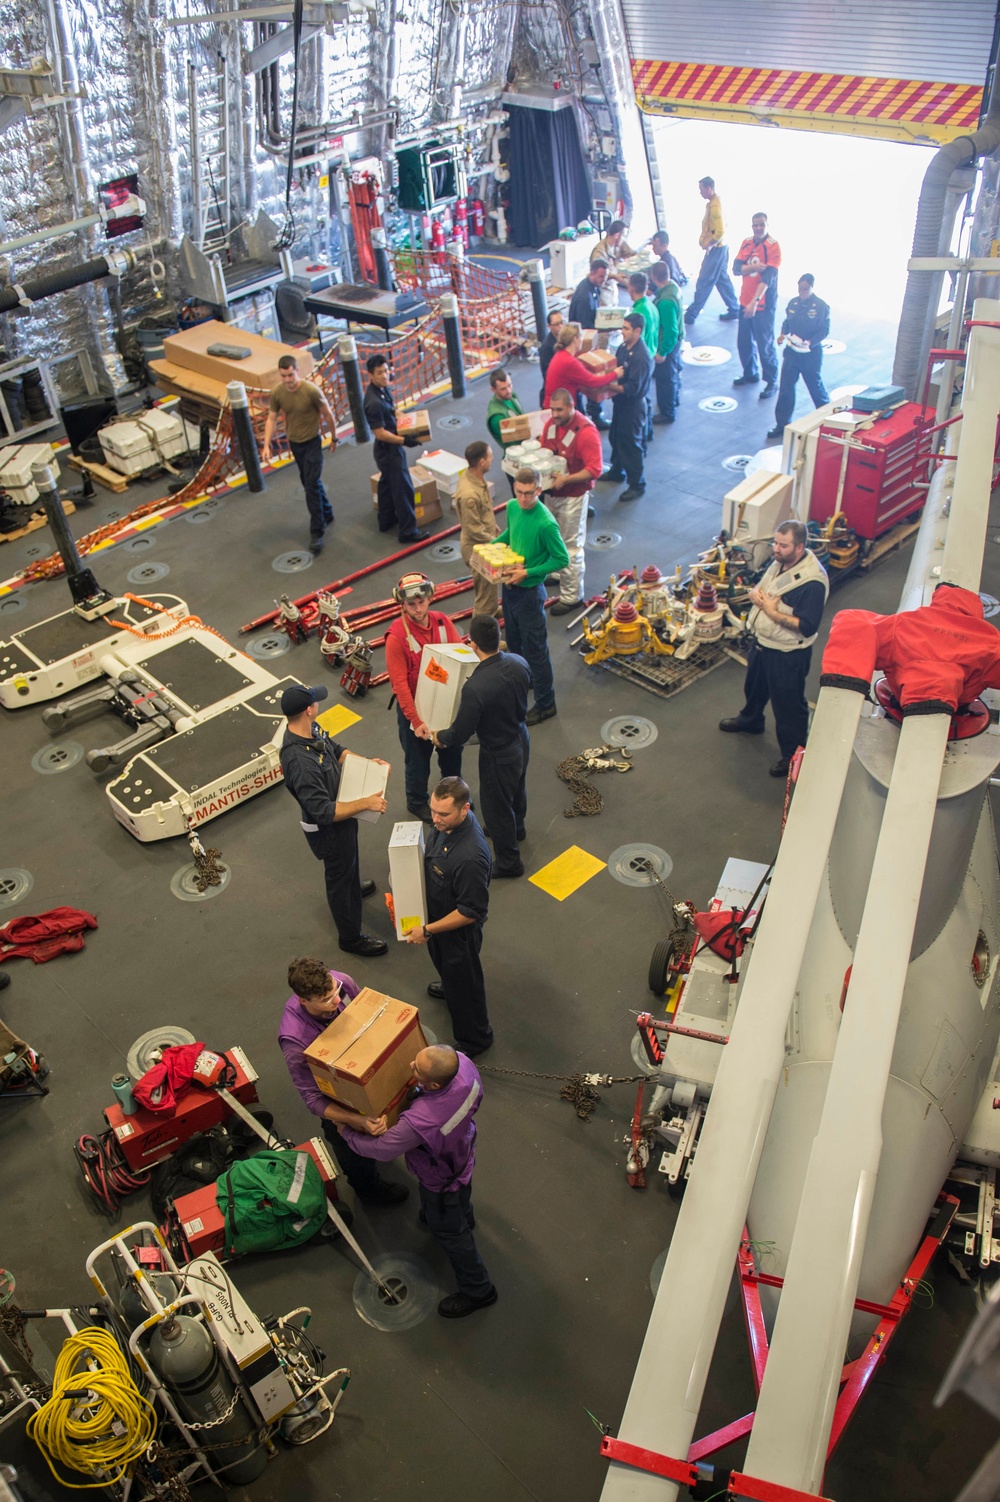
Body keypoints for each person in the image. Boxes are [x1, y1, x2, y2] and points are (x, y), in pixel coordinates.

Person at [338, 1043, 497, 1318]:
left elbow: (381, 1149)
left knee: (450, 1231)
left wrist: (346, 1131)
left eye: (417, 1069)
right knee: (461, 1193)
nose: (410, 1066)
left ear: (433, 1084)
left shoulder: (422, 1120)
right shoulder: (462, 1064)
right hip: (462, 1150)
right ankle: (465, 1217)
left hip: (440, 1177)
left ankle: (478, 1289)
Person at [278, 956, 408, 1205]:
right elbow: (313, 1100)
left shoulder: (341, 982)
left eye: (335, 992)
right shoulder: (295, 1041)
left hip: (360, 1071)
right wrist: (356, 1120)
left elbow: (368, 1019)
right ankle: (369, 1192)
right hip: (337, 1099)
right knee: (352, 1154)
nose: (337, 1001)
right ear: (303, 1000)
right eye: (326, 1000)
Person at [278, 683, 388, 957]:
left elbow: (336, 749)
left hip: (343, 816)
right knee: (339, 875)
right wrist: (367, 803)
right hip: (330, 830)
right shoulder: (299, 762)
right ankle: (350, 937)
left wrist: (366, 764)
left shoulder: (310, 730)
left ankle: (352, 888)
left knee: (348, 864)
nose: (318, 704)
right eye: (315, 702)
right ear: (308, 710)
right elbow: (323, 812)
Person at [718, 520, 829, 777]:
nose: (776, 549)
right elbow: (767, 586)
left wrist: (770, 611)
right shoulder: (781, 561)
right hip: (764, 644)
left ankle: (793, 757)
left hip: (788, 654)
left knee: (789, 707)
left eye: (783, 545)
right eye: (775, 543)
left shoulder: (812, 583)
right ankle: (751, 721)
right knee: (755, 689)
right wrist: (757, 596)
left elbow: (808, 626)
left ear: (800, 547)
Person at [434, 613, 530, 877]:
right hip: (521, 737)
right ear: (498, 638)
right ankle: (517, 828)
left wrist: (440, 736)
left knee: (496, 806)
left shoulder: (475, 687)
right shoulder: (518, 662)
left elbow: (460, 733)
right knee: (517, 788)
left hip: (498, 752)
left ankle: (510, 863)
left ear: (472, 643)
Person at [403, 778, 494, 1056]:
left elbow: (471, 912)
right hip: (438, 921)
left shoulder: (470, 857)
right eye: (433, 811)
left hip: (455, 933)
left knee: (465, 987)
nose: (435, 819)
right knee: (448, 971)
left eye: (443, 814)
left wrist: (428, 929)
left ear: (465, 809)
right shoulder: (447, 824)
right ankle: (449, 984)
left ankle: (475, 1039)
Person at [384, 573, 463, 820]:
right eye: (411, 604)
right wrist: (416, 721)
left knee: (452, 757)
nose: (417, 609)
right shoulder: (397, 637)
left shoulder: (442, 623)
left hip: (445, 705)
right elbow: (399, 685)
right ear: (402, 604)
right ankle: (417, 801)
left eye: (421, 602)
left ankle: (453, 796)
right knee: (417, 762)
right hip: (415, 709)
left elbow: (461, 657)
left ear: (429, 598)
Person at [494, 467, 569, 724]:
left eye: (529, 493)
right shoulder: (513, 507)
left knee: (536, 650)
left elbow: (561, 558)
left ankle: (546, 704)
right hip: (509, 587)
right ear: (514, 488)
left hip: (529, 593)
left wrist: (528, 572)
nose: (524, 499)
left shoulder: (546, 523)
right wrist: (492, 547)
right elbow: (511, 533)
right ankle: (529, 679)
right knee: (514, 641)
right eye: (519, 492)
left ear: (539, 490)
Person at [261, 355, 337, 555]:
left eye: (290, 375)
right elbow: (271, 418)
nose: (287, 380)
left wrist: (334, 438)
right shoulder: (278, 393)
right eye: (283, 376)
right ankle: (327, 511)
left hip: (312, 443)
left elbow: (327, 413)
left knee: (311, 486)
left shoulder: (311, 391)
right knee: (309, 482)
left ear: (297, 371)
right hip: (295, 444)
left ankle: (317, 532)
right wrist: (266, 445)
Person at [539, 387, 603, 612]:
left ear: (571, 406)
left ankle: (572, 595)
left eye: (559, 410)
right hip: (552, 494)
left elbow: (595, 470)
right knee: (554, 540)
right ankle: (557, 573)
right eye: (552, 409)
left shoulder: (586, 433)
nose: (554, 414)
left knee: (571, 546)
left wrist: (566, 480)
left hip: (572, 497)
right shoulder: (550, 426)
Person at [363, 352, 429, 545]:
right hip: (388, 449)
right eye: (379, 373)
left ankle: (386, 520)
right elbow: (380, 433)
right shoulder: (373, 402)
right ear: (371, 375)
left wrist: (404, 417)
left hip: (388, 448)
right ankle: (408, 531)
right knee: (403, 489)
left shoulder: (382, 390)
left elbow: (390, 409)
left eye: (386, 371)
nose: (385, 375)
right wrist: (404, 440)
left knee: (386, 484)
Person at [768, 275, 832, 440]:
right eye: (800, 289)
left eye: (805, 289)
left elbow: (824, 330)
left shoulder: (820, 306)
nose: (802, 292)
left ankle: (830, 421)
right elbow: (787, 322)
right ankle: (782, 424)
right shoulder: (793, 304)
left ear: (812, 287)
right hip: (792, 353)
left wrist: (810, 342)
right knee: (786, 389)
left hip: (810, 354)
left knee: (815, 388)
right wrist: (783, 334)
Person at [602, 313, 652, 502]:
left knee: (631, 444)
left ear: (637, 331)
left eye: (626, 329)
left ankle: (637, 484)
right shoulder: (624, 348)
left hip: (632, 407)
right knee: (616, 437)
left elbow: (632, 388)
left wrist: (607, 386)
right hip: (620, 404)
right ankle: (617, 470)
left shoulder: (641, 357)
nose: (622, 332)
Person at [732, 213, 782, 398]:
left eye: (761, 225)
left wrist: (755, 301)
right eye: (755, 225)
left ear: (767, 224)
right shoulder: (746, 243)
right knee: (743, 342)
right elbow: (736, 268)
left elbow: (768, 276)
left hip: (763, 306)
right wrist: (752, 268)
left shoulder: (773, 246)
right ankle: (750, 373)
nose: (758, 228)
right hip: (745, 300)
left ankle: (771, 381)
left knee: (765, 344)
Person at [454, 442, 501, 619]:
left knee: (490, 586)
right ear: (482, 461)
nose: (492, 458)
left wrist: (493, 528)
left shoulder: (474, 477)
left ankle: (492, 609)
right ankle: (481, 627)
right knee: (484, 595)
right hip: (478, 548)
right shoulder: (469, 495)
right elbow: (474, 530)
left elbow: (484, 512)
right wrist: (497, 544)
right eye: (489, 456)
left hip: (484, 541)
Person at [684, 177, 739, 326]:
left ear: (709, 188)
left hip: (716, 250)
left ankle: (692, 314)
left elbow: (720, 231)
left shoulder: (715, 207)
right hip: (721, 249)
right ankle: (734, 308)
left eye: (701, 189)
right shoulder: (715, 204)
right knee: (722, 280)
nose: (700, 193)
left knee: (704, 281)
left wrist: (709, 244)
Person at [568, 261, 612, 427]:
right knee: (592, 379)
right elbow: (587, 331)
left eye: (605, 277)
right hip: (584, 348)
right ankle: (595, 414)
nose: (603, 280)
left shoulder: (591, 288)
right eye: (601, 276)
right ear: (592, 273)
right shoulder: (585, 298)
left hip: (584, 344)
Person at [543, 323, 614, 409]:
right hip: (560, 409)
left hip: (555, 405)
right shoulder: (569, 362)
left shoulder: (561, 355)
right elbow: (593, 382)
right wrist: (615, 374)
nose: (582, 340)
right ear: (575, 339)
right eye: (580, 336)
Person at [649, 260, 682, 425]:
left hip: (667, 344)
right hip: (675, 343)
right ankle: (673, 400)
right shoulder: (673, 287)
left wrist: (662, 352)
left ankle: (667, 412)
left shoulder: (666, 302)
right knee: (673, 373)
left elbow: (671, 331)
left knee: (665, 378)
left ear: (654, 277)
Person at [485, 368, 524, 449]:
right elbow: (514, 442)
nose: (509, 391)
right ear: (493, 390)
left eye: (510, 385)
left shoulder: (511, 395)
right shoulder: (497, 417)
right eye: (503, 389)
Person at [628, 271, 659, 356]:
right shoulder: (652, 306)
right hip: (652, 353)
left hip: (642, 358)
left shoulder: (638, 313)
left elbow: (636, 341)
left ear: (631, 288)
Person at [538, 309, 564, 406]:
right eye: (556, 324)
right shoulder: (546, 347)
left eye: (562, 322)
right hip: (554, 395)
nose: (560, 326)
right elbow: (547, 374)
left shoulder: (565, 340)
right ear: (549, 326)